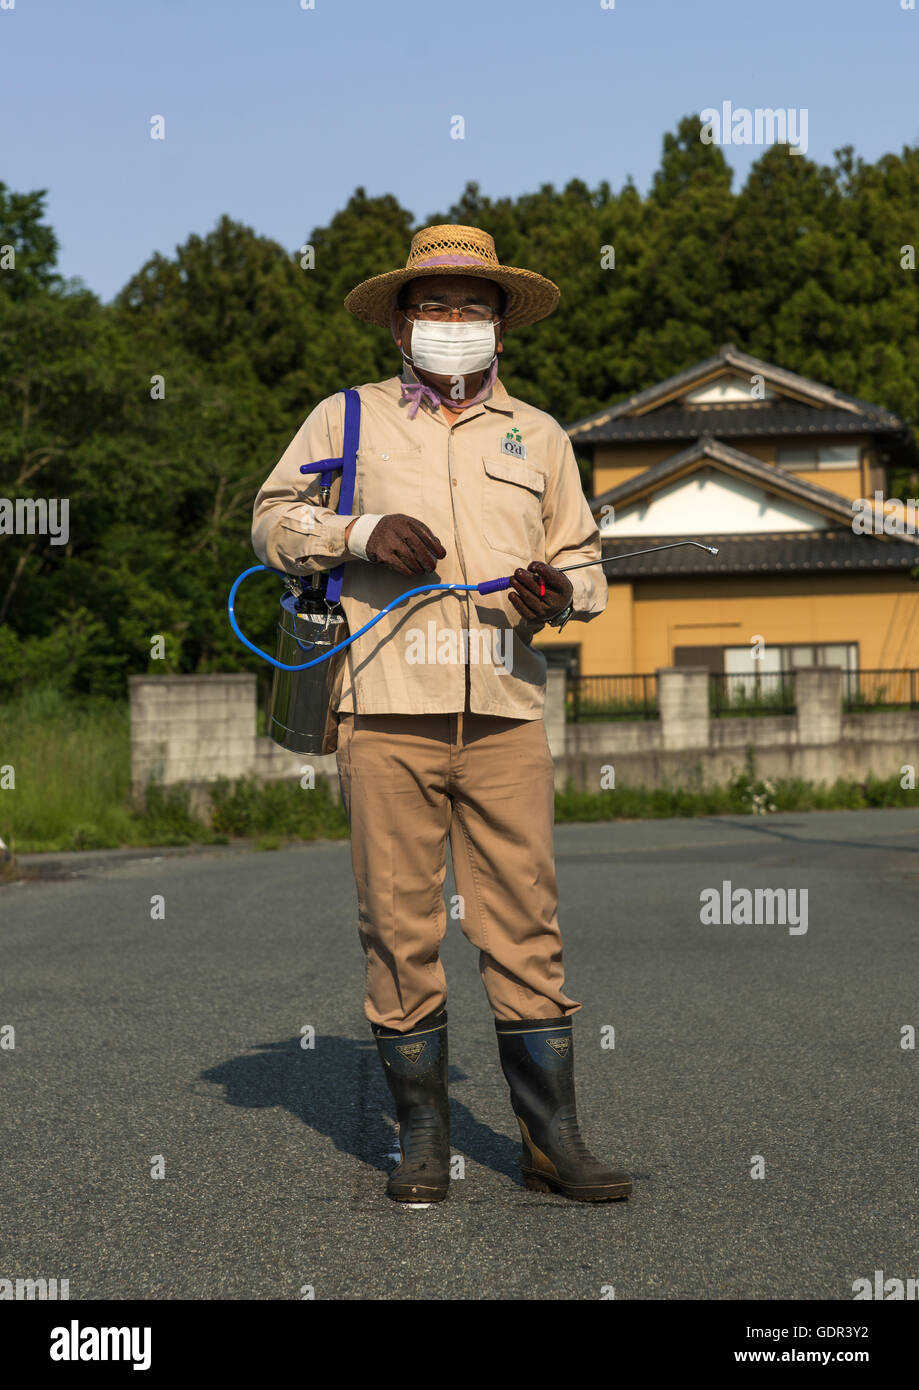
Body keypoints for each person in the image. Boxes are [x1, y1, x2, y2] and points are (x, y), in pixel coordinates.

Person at [252, 224, 631, 1204]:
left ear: (501, 326)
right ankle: (422, 1139)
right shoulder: (344, 420)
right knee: (398, 926)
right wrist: (360, 529)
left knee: (526, 928)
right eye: (434, 306)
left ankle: (553, 1144)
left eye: (472, 306)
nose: (452, 322)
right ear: (400, 325)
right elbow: (271, 520)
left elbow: (583, 560)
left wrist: (563, 595)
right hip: (384, 707)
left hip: (503, 704)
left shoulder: (539, 435)